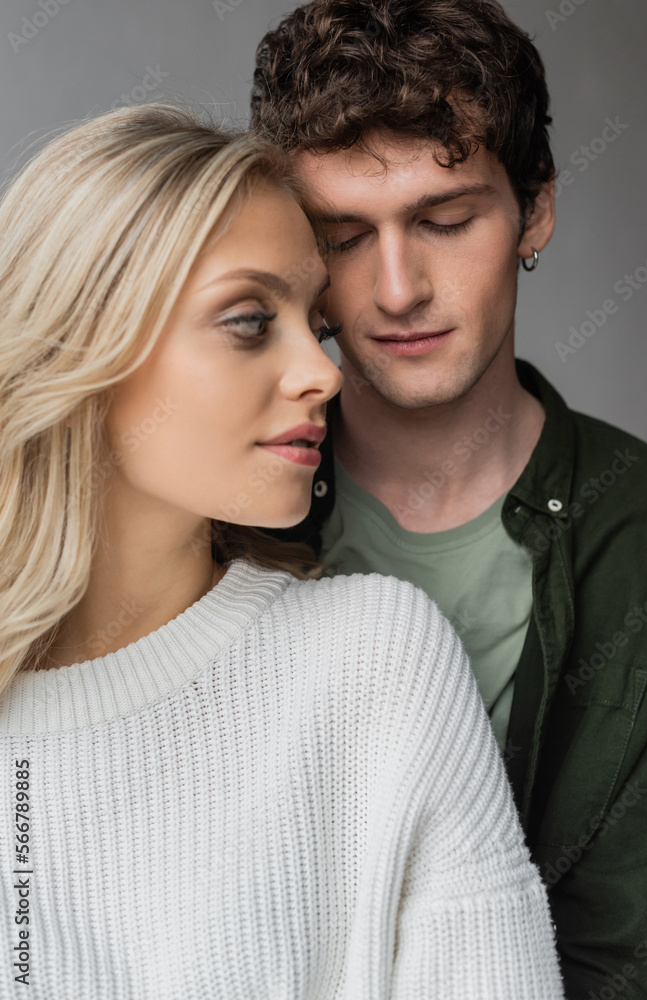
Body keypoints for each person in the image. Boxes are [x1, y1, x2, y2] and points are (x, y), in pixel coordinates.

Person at [0, 103, 563, 998]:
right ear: (84, 340)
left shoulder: (371, 661)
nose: (323, 372)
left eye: (315, 322)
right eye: (250, 320)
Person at [249, 1, 647, 997]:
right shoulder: (210, 521)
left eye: (444, 219)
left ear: (535, 209)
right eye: (343, 235)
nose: (396, 290)